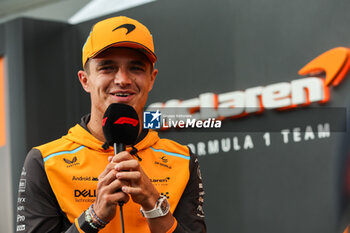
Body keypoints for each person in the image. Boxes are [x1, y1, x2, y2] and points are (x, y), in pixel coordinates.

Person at [16, 16, 206, 233]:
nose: (123, 79)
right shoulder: (46, 161)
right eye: (107, 68)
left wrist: (154, 205)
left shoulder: (181, 160)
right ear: (85, 80)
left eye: (136, 68)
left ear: (152, 78)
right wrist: (93, 217)